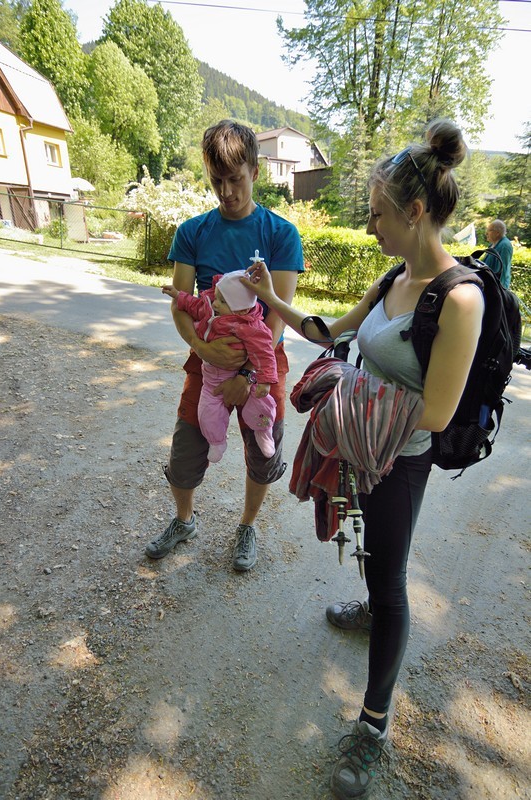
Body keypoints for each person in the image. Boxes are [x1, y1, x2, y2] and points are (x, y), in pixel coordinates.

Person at [241, 119, 483, 798]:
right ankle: (374, 607)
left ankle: (373, 726)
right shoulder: (392, 278)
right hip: (363, 443)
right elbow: (331, 333)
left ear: (415, 211)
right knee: (373, 554)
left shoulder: (459, 300)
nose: (371, 225)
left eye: (378, 214)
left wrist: (344, 392)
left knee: (390, 575)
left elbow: (436, 413)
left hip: (401, 460)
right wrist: (269, 298)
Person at [145, 119, 304, 572]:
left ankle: (247, 525)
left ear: (255, 170)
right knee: (185, 452)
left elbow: (278, 315)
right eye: (217, 180)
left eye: (235, 179)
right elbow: (181, 303)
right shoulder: (192, 232)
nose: (227, 191)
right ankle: (184, 521)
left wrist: (248, 376)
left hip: (262, 363)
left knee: (263, 450)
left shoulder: (281, 234)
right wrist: (202, 347)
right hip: (207, 359)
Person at [161, 269, 278, 463]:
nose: (215, 303)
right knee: (207, 413)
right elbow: (194, 305)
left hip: (244, 373)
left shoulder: (251, 327)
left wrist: (265, 381)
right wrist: (178, 295)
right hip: (212, 379)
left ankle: (263, 430)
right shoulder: (210, 307)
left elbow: (265, 353)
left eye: (222, 302)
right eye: (216, 297)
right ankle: (216, 442)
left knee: (260, 404)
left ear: (241, 310)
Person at [483, 219, 513, 288]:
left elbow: (502, 270)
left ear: (497, 233)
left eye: (489, 230)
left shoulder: (504, 246)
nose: (486, 233)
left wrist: (498, 290)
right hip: (488, 285)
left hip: (496, 288)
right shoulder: (493, 244)